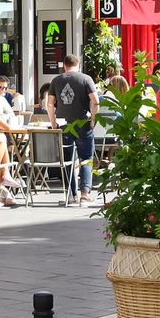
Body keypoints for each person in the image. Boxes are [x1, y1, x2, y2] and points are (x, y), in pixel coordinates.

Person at [47, 54, 98, 205]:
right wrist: (93, 120)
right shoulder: (86, 79)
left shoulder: (56, 80)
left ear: (64, 65)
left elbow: (49, 104)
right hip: (83, 124)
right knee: (86, 159)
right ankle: (84, 193)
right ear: (79, 65)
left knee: (67, 160)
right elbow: (95, 101)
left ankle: (70, 194)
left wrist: (53, 123)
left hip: (63, 125)